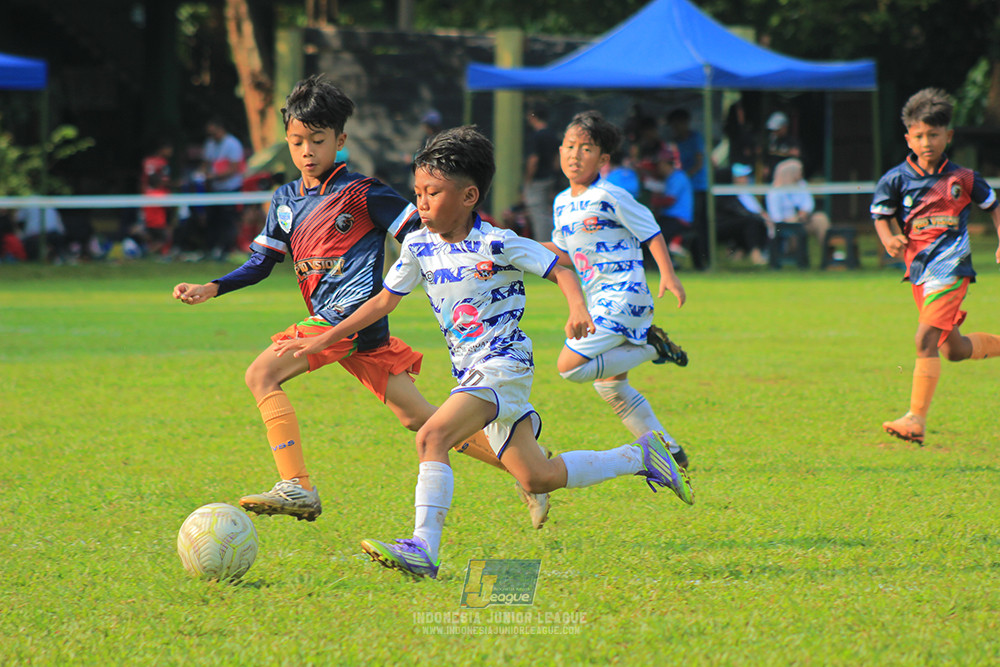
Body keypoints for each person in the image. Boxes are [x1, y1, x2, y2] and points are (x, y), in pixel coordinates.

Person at [273, 125, 694, 579]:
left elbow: (559, 267)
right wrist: (322, 339)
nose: (421, 204)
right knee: (537, 477)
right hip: (470, 372)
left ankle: (422, 549)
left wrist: (576, 306)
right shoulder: (417, 245)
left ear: (469, 195)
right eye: (417, 193)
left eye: (433, 193)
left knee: (431, 436)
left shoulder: (497, 242)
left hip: (503, 365)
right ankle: (642, 456)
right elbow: (381, 302)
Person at [173, 76, 548, 528]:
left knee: (261, 373)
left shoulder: (364, 192)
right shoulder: (285, 200)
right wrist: (212, 287)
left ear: (340, 140)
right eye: (296, 141)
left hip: (348, 318)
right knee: (420, 419)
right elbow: (260, 262)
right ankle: (528, 470)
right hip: (346, 329)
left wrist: (462, 265)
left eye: (317, 140)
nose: (307, 150)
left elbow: (428, 231)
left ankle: (298, 486)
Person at [545, 110, 692, 469]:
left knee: (569, 367)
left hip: (625, 296)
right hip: (599, 298)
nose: (575, 154)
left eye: (586, 148)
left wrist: (668, 275)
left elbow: (651, 231)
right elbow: (567, 254)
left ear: (603, 159)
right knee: (611, 386)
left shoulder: (611, 195)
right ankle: (670, 452)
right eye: (569, 146)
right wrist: (519, 248)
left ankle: (650, 346)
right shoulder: (561, 203)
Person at [871, 87, 1000, 445]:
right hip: (919, 272)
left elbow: (993, 206)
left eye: (934, 134)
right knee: (952, 350)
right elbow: (880, 216)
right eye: (919, 135)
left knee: (923, 339)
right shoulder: (896, 180)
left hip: (952, 268)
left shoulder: (963, 178)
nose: (927, 142)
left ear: (948, 136)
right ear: (908, 138)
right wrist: (889, 238)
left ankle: (915, 419)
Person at [667, 108, 709, 269]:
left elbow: (699, 163)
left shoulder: (695, 138)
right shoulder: (675, 141)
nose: (676, 128)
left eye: (678, 124)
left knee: (697, 225)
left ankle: (701, 261)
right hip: (683, 189)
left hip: (697, 187)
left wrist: (683, 178)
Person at [202, 117, 246, 260]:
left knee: (228, 220)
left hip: (230, 188)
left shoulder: (232, 144)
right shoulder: (210, 144)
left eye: (214, 133)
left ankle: (227, 250)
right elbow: (206, 164)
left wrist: (213, 176)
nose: (212, 136)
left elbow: (234, 168)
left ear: (220, 129)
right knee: (213, 220)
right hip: (215, 189)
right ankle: (212, 249)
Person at [766, 157, 830, 246]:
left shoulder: (802, 184)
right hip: (784, 226)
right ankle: (793, 254)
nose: (801, 174)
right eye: (799, 171)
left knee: (821, 219)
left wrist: (803, 213)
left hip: (802, 220)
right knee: (793, 228)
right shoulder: (774, 191)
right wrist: (791, 219)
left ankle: (828, 252)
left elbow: (809, 204)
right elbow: (776, 217)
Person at [648, 143, 695, 264]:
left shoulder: (678, 177)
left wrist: (652, 202)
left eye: (659, 164)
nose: (657, 168)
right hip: (670, 217)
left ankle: (665, 262)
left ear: (664, 163)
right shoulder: (670, 178)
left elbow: (669, 200)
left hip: (678, 219)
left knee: (651, 234)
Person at [716, 163, 769, 265]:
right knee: (751, 223)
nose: (746, 179)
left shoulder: (746, 194)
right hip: (726, 226)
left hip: (743, 223)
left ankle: (743, 255)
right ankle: (755, 255)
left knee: (756, 223)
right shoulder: (725, 195)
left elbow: (757, 211)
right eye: (742, 177)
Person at [522, 104, 560, 241]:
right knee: (546, 212)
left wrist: (528, 180)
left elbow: (533, 160)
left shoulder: (537, 136)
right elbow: (556, 159)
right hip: (549, 178)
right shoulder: (552, 134)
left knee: (538, 213)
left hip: (538, 179)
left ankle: (543, 243)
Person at [764, 111, 801, 181]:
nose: (774, 132)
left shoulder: (792, 141)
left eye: (777, 129)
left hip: (787, 180)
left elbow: (797, 155)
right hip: (773, 180)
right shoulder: (772, 141)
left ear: (784, 127)